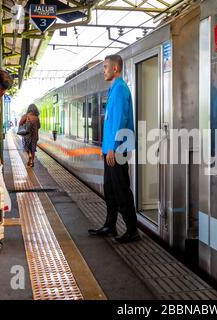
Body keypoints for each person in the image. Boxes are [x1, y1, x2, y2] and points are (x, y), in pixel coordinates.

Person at [88, 54, 140, 244]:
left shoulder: (119, 89)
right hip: (110, 149)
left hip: (117, 150)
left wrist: (113, 148)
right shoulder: (114, 89)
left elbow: (118, 120)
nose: (104, 71)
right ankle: (110, 225)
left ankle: (132, 230)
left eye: (105, 67)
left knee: (121, 190)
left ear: (115, 68)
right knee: (110, 189)